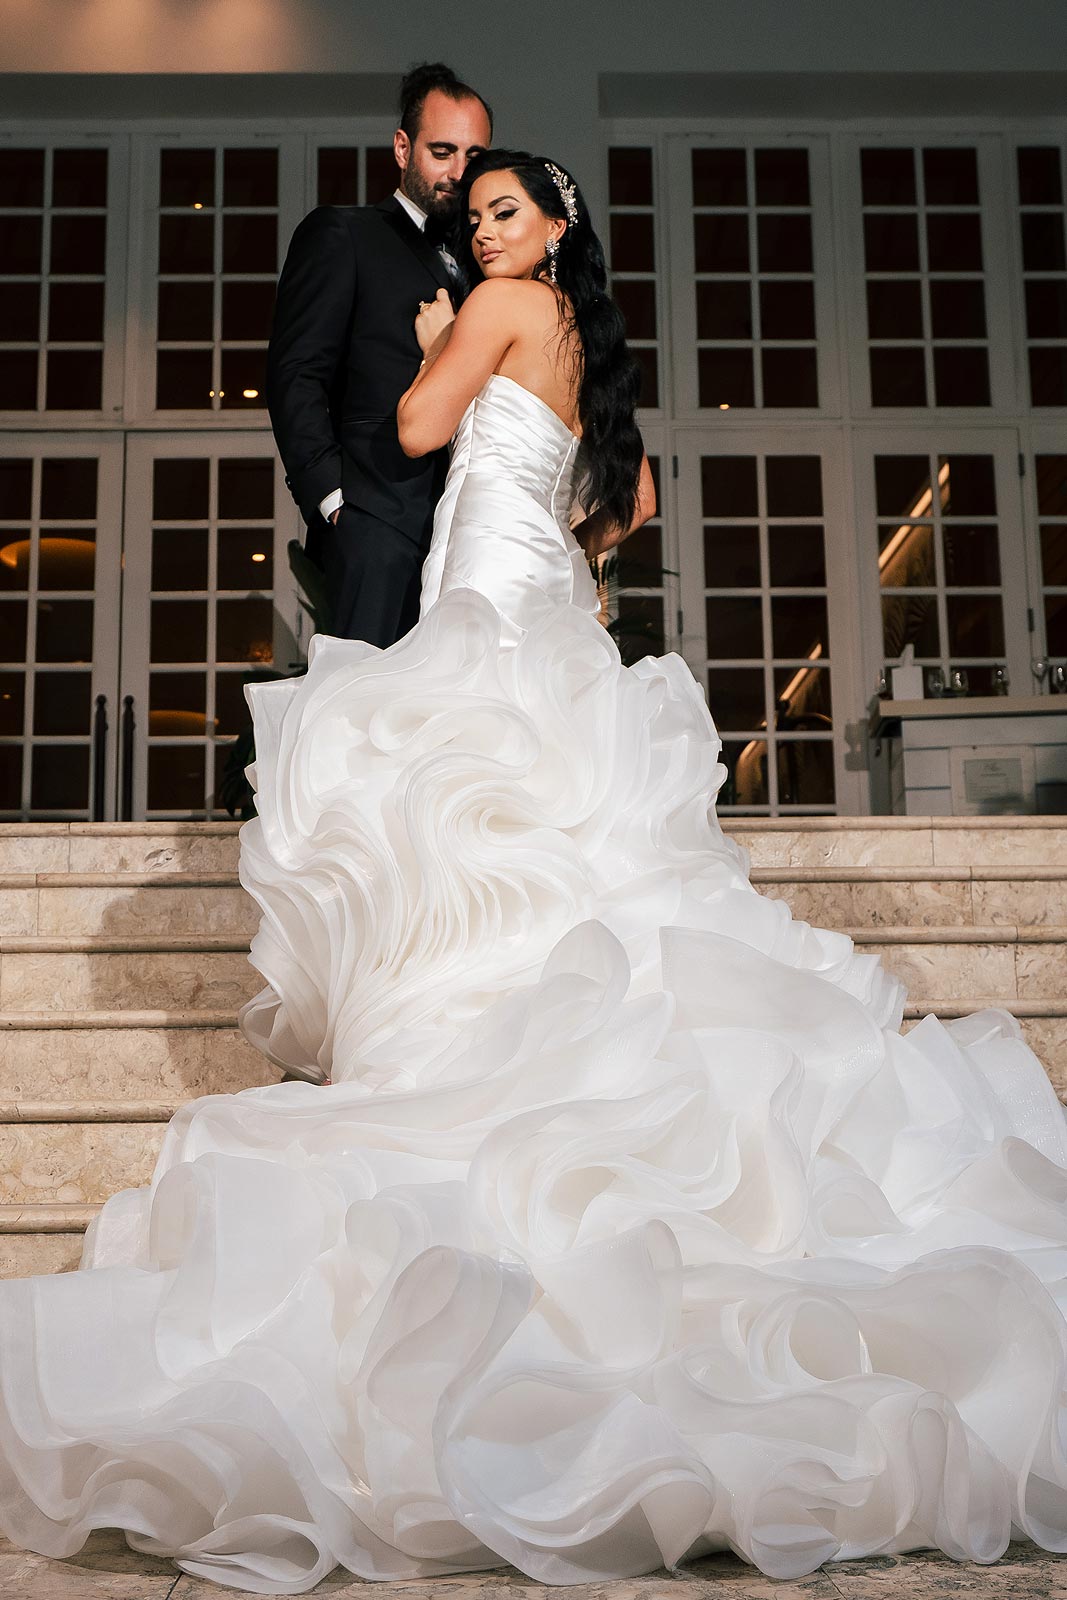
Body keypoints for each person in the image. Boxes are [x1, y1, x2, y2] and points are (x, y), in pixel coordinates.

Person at [2, 150, 1067, 1597]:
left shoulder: (505, 310)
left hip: (487, 593)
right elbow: (615, 512)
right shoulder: (592, 350)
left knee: (459, 812)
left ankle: (471, 1057)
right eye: (472, 217)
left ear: (553, 227)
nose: (480, 233)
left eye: (502, 213)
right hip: (544, 588)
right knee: (543, 833)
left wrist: (440, 341)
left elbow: (412, 421)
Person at [266, 62, 492, 646]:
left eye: (474, 157)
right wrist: (334, 502)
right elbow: (296, 373)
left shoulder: (485, 268)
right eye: (442, 151)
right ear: (402, 147)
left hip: (465, 535)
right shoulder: (344, 233)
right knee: (367, 714)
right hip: (373, 521)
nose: (458, 172)